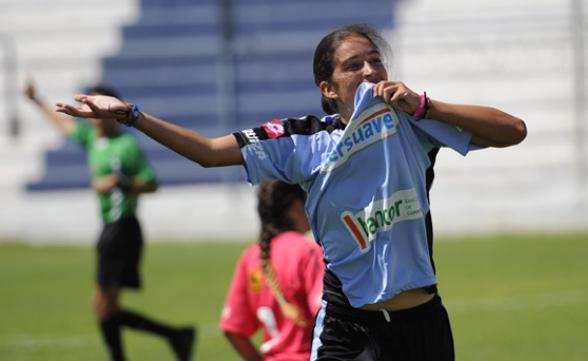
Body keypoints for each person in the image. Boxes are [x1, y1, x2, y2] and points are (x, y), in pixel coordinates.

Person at [56, 23, 527, 361]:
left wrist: (426, 105)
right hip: (350, 328)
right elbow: (207, 151)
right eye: (353, 65)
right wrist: (130, 115)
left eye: (375, 60)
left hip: (423, 325)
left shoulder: (415, 122)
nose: (368, 70)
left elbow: (514, 131)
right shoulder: (303, 141)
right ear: (328, 87)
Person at [25, 80, 195, 361]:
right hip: (110, 227)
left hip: (123, 227)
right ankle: (176, 336)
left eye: (94, 106)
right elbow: (62, 124)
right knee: (106, 307)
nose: (89, 112)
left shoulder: (126, 144)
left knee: (102, 306)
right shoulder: (93, 137)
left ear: (111, 111)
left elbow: (152, 183)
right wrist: (36, 100)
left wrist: (119, 182)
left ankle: (168, 339)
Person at [220, 180, 324, 361]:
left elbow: (233, 329)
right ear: (293, 206)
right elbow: (323, 313)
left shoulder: (251, 257)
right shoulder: (307, 251)